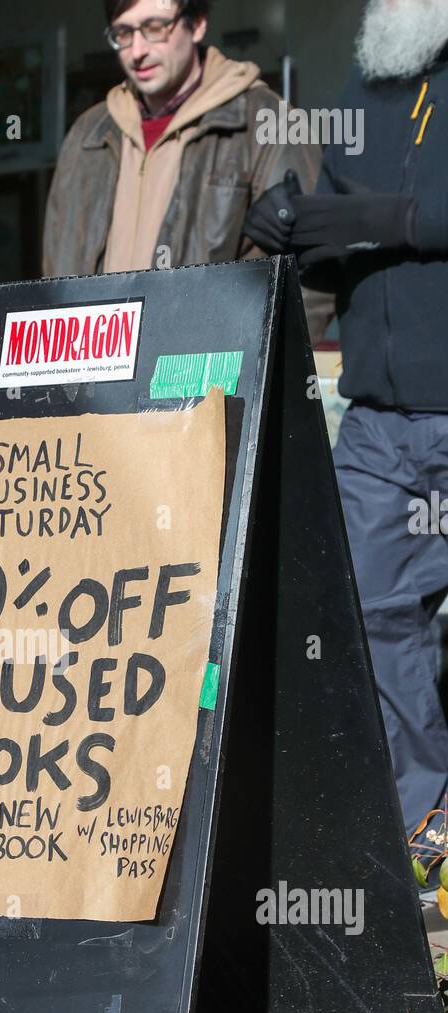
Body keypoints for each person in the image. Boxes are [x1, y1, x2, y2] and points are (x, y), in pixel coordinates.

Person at [244, 0, 448, 886]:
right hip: (380, 423)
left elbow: (393, 220)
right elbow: (338, 230)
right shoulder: (366, 86)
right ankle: (426, 832)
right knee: (368, 620)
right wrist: (289, 228)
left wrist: (402, 218)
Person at [42, 0, 331, 339]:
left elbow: (312, 278)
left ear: (197, 24)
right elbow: (53, 280)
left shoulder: (268, 124)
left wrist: (259, 379)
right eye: (124, 32)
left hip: (214, 383)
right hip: (94, 382)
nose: (137, 51)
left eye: (154, 28)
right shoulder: (86, 135)